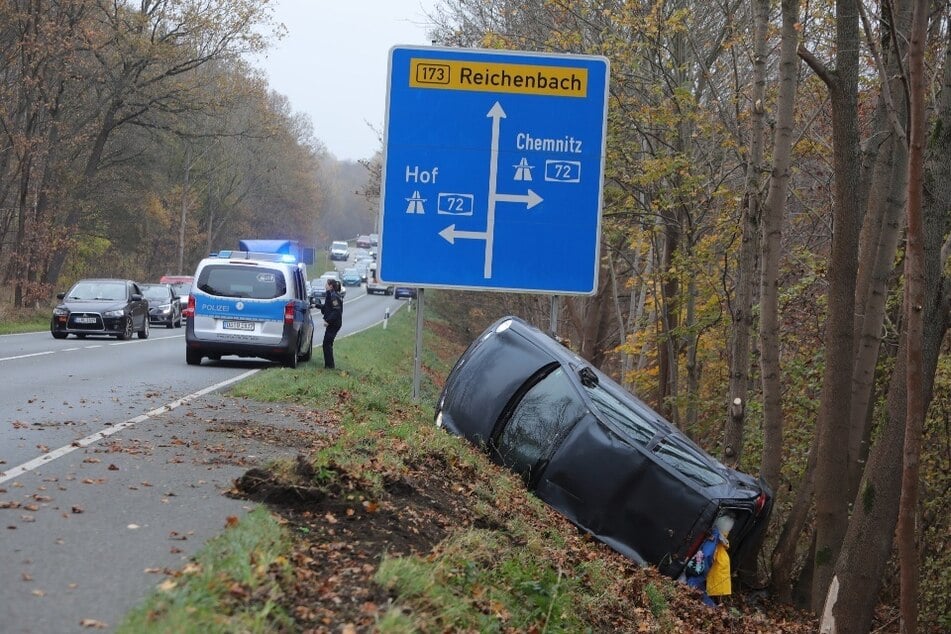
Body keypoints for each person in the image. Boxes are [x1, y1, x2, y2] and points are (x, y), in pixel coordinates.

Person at [319, 278, 343, 369]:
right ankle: (328, 365)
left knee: (327, 344)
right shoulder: (330, 295)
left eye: (326, 284)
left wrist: (327, 320)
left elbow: (336, 311)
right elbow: (327, 308)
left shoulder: (334, 296)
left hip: (334, 324)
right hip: (333, 323)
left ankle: (330, 366)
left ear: (331, 286)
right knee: (327, 344)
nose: (325, 286)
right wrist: (316, 305)